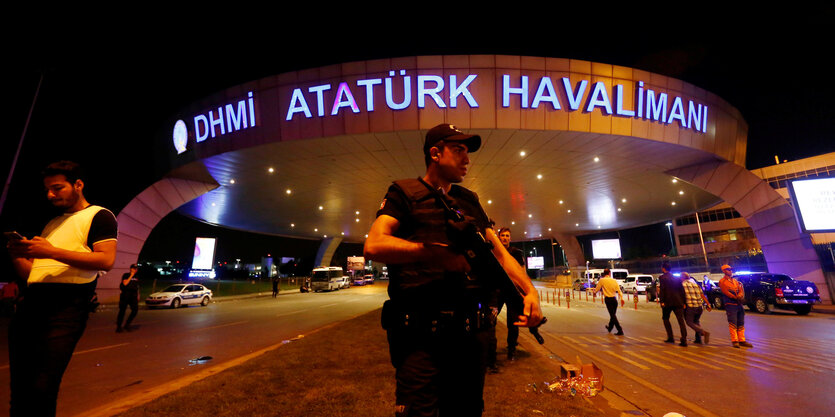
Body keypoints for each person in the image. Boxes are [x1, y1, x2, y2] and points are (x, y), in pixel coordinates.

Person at [364, 123, 542, 417]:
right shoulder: (403, 193)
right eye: (458, 150)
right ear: (435, 153)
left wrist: (530, 291)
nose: (467, 159)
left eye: (467, 152)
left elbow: (497, 251)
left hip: (470, 339)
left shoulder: (468, 200)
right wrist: (432, 254)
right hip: (421, 339)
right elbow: (374, 244)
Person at [6, 161, 118, 416]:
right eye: (47, 189)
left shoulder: (99, 215)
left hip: (64, 309)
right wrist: (16, 254)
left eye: (57, 188)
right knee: (20, 390)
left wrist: (51, 251)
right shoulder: (53, 223)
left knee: (42, 388)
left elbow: (106, 260)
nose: (50, 195)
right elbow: (31, 274)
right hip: (30, 306)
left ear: (78, 185)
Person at [486, 227, 528, 370]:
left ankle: (511, 350)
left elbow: (522, 271)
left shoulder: (516, 253)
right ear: (498, 237)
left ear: (510, 238)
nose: (504, 238)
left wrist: (524, 290)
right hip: (497, 291)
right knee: (490, 320)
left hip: (512, 291)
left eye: (507, 236)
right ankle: (490, 354)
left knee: (513, 322)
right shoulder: (493, 251)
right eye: (502, 235)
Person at [719, 265, 752, 348]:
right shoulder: (722, 281)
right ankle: (735, 341)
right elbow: (726, 292)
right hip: (730, 305)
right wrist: (735, 297)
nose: (730, 271)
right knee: (733, 323)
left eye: (731, 269)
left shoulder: (735, 281)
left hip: (739, 304)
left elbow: (740, 289)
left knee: (741, 323)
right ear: (724, 271)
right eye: (728, 269)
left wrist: (740, 295)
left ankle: (742, 340)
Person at [658, 263, 688, 346]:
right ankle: (684, 339)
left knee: (665, 318)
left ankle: (670, 337)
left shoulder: (662, 278)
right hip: (678, 302)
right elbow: (682, 290)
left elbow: (662, 290)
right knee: (681, 320)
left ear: (663, 269)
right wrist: (684, 302)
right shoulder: (677, 278)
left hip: (667, 302)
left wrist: (662, 301)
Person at [680, 272, 710, 344]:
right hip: (699, 307)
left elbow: (681, 296)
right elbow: (702, 295)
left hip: (690, 306)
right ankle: (698, 339)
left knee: (689, 322)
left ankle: (703, 332)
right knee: (696, 321)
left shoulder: (682, 285)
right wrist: (708, 304)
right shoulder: (696, 285)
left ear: (682, 278)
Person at [593, 268, 625, 335]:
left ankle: (620, 330)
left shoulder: (602, 280)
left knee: (612, 315)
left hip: (608, 300)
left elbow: (597, 289)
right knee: (613, 315)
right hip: (614, 300)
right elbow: (619, 290)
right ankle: (610, 328)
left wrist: (594, 293)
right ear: (609, 273)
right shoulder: (614, 280)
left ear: (604, 273)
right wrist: (622, 298)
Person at [116, 264, 140, 332]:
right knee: (122, 311)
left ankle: (127, 324)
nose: (135, 270)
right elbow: (125, 283)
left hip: (133, 295)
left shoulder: (137, 277)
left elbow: (137, 286)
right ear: (131, 269)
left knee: (135, 310)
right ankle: (119, 327)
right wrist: (131, 275)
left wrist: (138, 294)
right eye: (134, 268)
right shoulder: (126, 275)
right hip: (125, 295)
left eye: (136, 269)